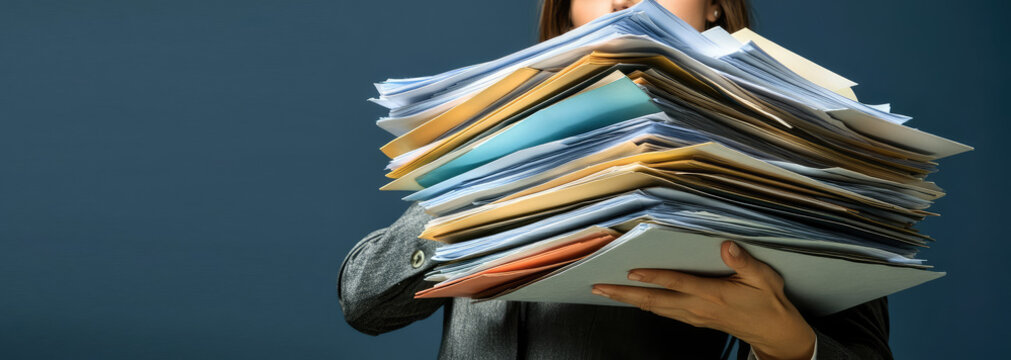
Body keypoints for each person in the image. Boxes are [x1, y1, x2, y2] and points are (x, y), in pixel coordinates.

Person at [339, 1, 893, 359]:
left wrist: (786, 346)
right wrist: (482, 181)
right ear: (567, 13)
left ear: (715, 7)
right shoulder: (493, 127)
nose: (623, 0)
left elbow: (862, 351)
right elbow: (365, 306)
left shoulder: (787, 144)